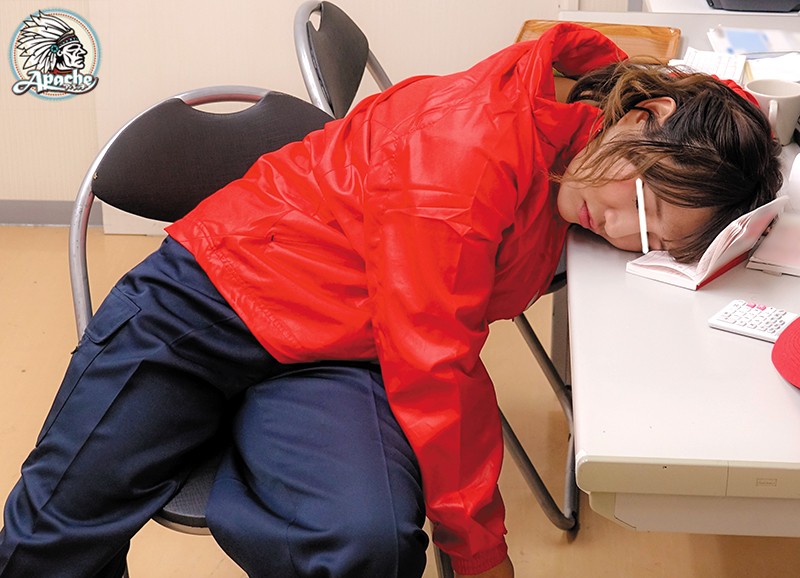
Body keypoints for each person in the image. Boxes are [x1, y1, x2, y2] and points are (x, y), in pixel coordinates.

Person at [0, 22, 782, 578]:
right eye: (641, 207)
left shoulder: (603, 121)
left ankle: (246, 450)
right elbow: (436, 367)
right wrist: (481, 553)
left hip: (348, 347)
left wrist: (729, 219)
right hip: (212, 300)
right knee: (52, 536)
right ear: (647, 118)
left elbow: (713, 116)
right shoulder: (467, 155)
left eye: (652, 238)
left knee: (368, 544)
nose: (622, 231)